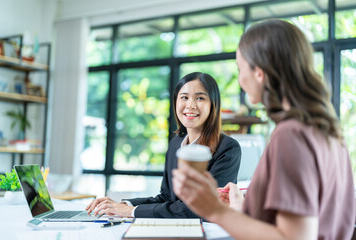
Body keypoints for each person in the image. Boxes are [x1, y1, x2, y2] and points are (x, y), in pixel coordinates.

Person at [172, 19, 355, 239]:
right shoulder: (327, 129)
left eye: (241, 69)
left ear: (259, 73)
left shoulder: (291, 134)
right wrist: (244, 210)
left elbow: (294, 237)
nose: (240, 80)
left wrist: (215, 210)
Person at [86, 72, 241, 218]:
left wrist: (132, 211)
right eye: (184, 97)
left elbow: (202, 207)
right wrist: (123, 205)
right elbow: (166, 197)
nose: (190, 105)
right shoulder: (175, 144)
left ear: (213, 104)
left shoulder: (227, 148)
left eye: (200, 98)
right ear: (175, 102)